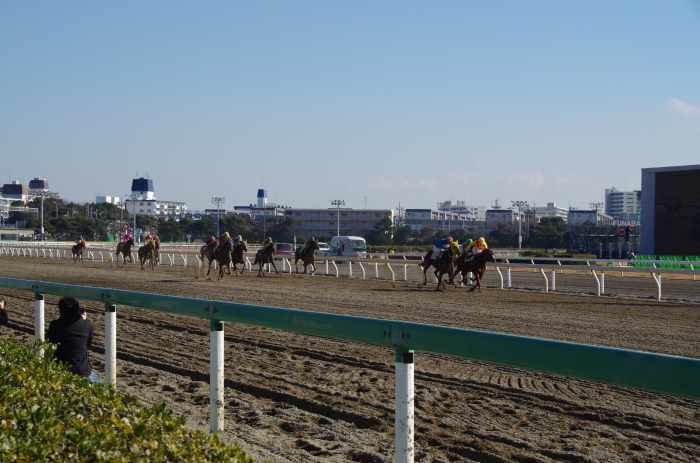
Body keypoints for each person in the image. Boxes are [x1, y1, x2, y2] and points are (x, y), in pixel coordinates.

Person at [46, 296, 100, 383]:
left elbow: (49, 340)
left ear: (60, 310)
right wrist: (84, 320)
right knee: (96, 380)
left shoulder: (54, 325)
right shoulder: (87, 324)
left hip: (60, 370)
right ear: (77, 310)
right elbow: (88, 344)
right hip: (81, 371)